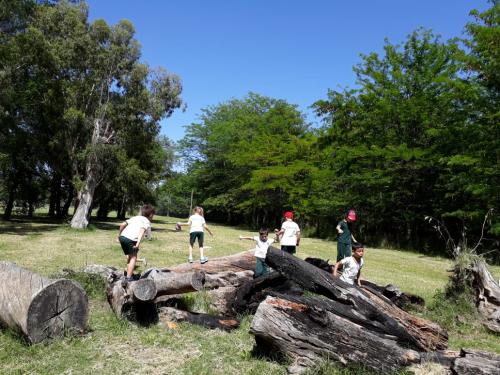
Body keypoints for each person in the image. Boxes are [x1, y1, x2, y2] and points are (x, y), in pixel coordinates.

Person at [117, 204, 155, 282]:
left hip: (123, 237)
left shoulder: (135, 217)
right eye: (153, 215)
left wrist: (119, 236)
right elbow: (142, 231)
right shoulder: (146, 221)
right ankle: (129, 278)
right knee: (134, 258)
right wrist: (137, 244)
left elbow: (122, 224)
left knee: (130, 257)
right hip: (131, 240)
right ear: (151, 215)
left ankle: (128, 274)